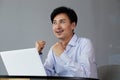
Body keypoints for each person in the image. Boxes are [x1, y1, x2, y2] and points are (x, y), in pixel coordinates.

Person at [35, 6, 98, 78]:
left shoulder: (85, 43)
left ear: (73, 25)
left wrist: (62, 55)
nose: (57, 27)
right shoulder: (54, 49)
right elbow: (44, 76)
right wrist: (37, 54)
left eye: (62, 22)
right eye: (54, 23)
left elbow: (86, 76)